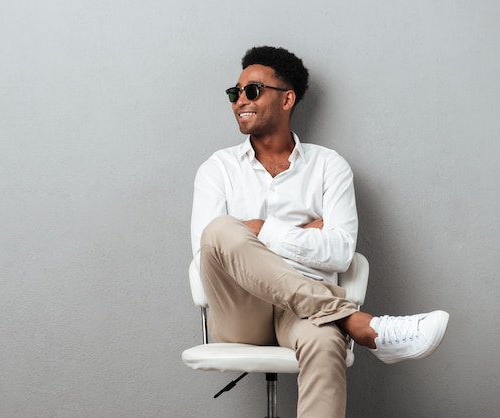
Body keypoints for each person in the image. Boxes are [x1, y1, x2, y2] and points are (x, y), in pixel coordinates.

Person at [190, 46, 449, 418]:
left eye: (252, 91)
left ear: (287, 99)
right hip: (240, 310)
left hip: (306, 316)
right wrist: (301, 233)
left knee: (326, 340)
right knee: (219, 231)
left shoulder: (330, 166)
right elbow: (208, 253)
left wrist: (261, 231)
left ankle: (337, 320)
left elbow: (341, 251)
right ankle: (357, 322)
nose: (239, 101)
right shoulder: (218, 169)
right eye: (235, 92)